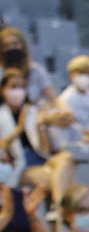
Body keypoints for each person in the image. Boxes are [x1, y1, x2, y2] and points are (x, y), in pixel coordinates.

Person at [0, 68, 75, 205]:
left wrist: (41, 128)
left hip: (39, 161)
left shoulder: (32, 111)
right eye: (13, 87)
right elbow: (2, 147)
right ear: (2, 90)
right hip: (19, 165)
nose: (18, 91)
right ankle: (60, 210)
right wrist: (19, 129)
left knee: (67, 158)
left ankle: (59, 209)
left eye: (22, 87)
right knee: (58, 179)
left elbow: (44, 152)